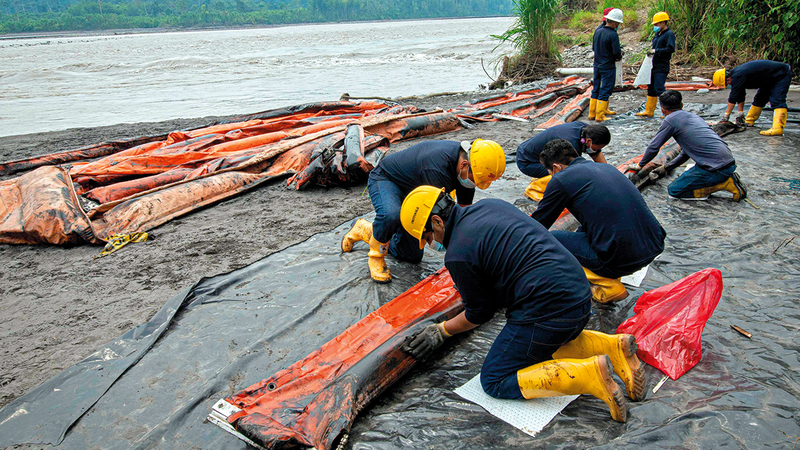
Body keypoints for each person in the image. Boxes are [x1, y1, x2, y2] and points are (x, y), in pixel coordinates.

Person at [398, 186, 647, 422]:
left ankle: (590, 375)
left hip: (551, 311)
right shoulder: (490, 206)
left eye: (428, 236)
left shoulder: (458, 255)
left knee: (494, 379)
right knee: (544, 345)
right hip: (579, 296)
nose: (431, 244)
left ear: (437, 222)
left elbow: (479, 313)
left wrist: (441, 331)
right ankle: (614, 347)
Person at [341, 139, 505, 283]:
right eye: (476, 180)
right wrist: (457, 252)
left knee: (411, 255)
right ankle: (376, 255)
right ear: (464, 165)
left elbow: (463, 213)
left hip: (416, 191)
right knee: (392, 215)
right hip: (388, 180)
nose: (475, 184)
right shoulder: (436, 169)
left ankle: (368, 231)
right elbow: (434, 217)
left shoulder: (470, 169)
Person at [531, 139, 666, 303]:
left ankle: (608, 285)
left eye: (549, 172)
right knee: (586, 225)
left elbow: (537, 225)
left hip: (620, 261)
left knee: (552, 239)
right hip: (654, 244)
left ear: (556, 167)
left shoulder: (561, 179)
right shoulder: (605, 167)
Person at [630, 90, 747, 202]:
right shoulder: (693, 117)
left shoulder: (670, 120)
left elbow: (654, 147)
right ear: (682, 104)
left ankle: (725, 183)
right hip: (726, 163)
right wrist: (666, 167)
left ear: (662, 110)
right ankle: (724, 178)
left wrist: (640, 165)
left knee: (675, 191)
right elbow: (685, 153)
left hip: (715, 168)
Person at [516, 122, 611, 201]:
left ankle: (543, 177)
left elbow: (597, 155)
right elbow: (573, 172)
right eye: (598, 147)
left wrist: (607, 176)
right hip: (527, 162)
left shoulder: (586, 130)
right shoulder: (570, 145)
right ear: (589, 141)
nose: (598, 150)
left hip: (531, 152)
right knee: (569, 174)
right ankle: (534, 189)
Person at [713, 60, 793, 136]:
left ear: (727, 78)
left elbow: (733, 98)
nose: (729, 85)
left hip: (781, 74)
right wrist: (740, 112)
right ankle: (749, 121)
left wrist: (726, 115)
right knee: (760, 99)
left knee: (777, 99)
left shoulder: (737, 75)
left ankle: (778, 128)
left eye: (727, 84)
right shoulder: (737, 74)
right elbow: (740, 94)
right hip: (768, 78)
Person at [637, 11, 675, 118]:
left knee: (659, 88)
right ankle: (649, 110)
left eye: (656, 24)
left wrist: (656, 51)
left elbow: (670, 48)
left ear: (663, 23)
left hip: (661, 65)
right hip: (653, 65)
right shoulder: (657, 34)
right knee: (651, 88)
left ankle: (668, 111)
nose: (655, 26)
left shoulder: (669, 34)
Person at [589, 8, 623, 122]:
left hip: (597, 65)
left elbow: (594, 48)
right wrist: (618, 57)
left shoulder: (598, 31)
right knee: (606, 89)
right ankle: (600, 116)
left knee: (596, 88)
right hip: (607, 66)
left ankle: (592, 113)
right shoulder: (612, 34)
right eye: (618, 23)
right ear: (614, 22)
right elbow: (616, 52)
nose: (617, 25)